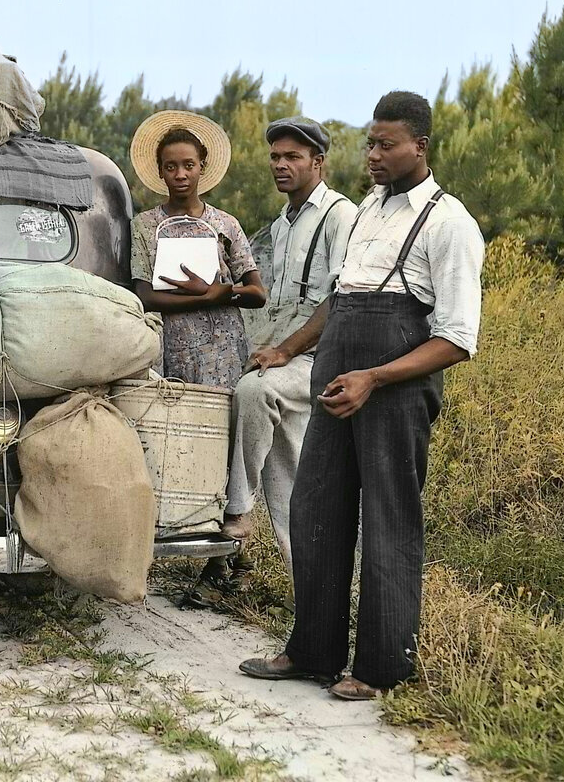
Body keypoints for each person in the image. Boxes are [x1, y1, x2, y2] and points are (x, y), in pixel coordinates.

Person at [240, 92, 484, 700]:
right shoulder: (368, 210)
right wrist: (291, 350)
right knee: (315, 509)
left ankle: (379, 668)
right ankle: (314, 650)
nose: (372, 155)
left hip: (394, 386)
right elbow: (340, 299)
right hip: (337, 375)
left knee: (388, 518)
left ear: (419, 147)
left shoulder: (449, 223)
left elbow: (456, 338)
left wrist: (374, 377)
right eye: (369, 143)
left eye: (386, 144)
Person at [128, 111, 266, 592]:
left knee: (224, 439)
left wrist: (220, 294)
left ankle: (226, 552)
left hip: (223, 346)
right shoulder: (146, 226)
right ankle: (163, 533)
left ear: (203, 166)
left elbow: (256, 291)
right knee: (171, 433)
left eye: (188, 164)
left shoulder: (225, 224)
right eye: (170, 167)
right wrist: (202, 295)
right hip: (172, 345)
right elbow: (142, 294)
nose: (180, 174)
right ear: (159, 171)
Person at [222, 117, 358, 582]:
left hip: (321, 358)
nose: (281, 165)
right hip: (282, 353)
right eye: (275, 157)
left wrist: (283, 351)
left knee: (254, 394)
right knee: (289, 477)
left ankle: (237, 512)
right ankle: (311, 589)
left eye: (292, 157)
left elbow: (339, 297)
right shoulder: (282, 222)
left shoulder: (340, 215)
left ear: (317, 162)